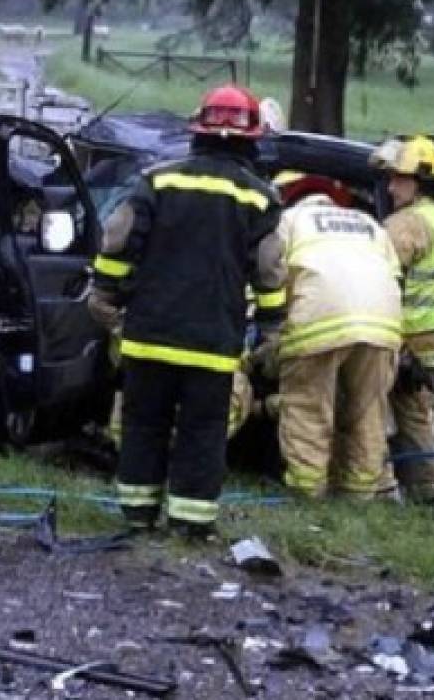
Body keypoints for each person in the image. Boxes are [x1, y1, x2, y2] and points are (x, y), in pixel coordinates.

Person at [88, 84, 286, 539]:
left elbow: (118, 239)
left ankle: (137, 513)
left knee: (143, 423)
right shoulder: (258, 198)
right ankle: (191, 522)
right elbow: (268, 271)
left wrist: (105, 292)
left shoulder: (157, 180)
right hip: (211, 343)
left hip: (148, 333)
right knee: (202, 431)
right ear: (251, 139)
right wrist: (272, 329)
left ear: (197, 131)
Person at [267, 171, 403, 498]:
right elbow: (396, 275)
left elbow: (272, 274)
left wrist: (271, 329)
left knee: (308, 406)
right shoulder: (369, 224)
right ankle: (360, 492)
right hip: (381, 325)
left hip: (316, 322)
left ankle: (307, 490)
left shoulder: (289, 221)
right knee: (368, 410)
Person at [369, 136, 434, 502]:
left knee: (371, 403)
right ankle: (429, 488)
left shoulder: (409, 223)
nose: (391, 188)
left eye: (399, 179)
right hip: (431, 333)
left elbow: (375, 267)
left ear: (419, 181)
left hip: (403, 331)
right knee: (417, 412)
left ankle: (380, 484)